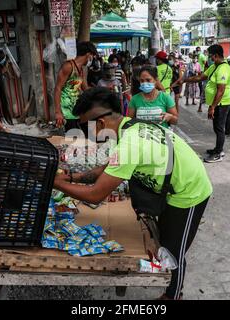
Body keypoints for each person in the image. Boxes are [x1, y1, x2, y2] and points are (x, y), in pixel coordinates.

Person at [52, 87, 213, 300]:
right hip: (171, 185)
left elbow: (94, 195)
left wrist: (53, 182)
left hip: (190, 191)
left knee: (174, 251)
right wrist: (73, 177)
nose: (85, 133)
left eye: (84, 127)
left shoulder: (129, 143)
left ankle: (173, 296)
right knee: (163, 239)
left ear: (99, 124)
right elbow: (109, 168)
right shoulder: (129, 126)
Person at [184, 44, 230, 163]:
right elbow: (201, 77)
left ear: (216, 56)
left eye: (210, 56)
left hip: (221, 104)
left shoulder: (223, 68)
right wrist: (185, 80)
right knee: (216, 127)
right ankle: (217, 148)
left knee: (219, 128)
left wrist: (212, 107)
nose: (208, 58)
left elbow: (220, 91)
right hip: (216, 104)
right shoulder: (215, 66)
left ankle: (219, 153)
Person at [54, 41, 97, 132]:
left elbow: (85, 89)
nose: (92, 59)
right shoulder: (68, 66)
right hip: (66, 111)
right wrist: (58, 112)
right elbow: (57, 88)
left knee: (88, 131)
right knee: (72, 138)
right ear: (88, 54)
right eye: (93, 56)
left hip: (76, 108)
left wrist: (101, 91)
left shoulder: (82, 69)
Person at [196, 47, 208, 112]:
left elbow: (205, 64)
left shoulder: (203, 56)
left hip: (203, 72)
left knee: (202, 86)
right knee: (201, 86)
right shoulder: (200, 56)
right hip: (201, 72)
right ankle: (200, 107)